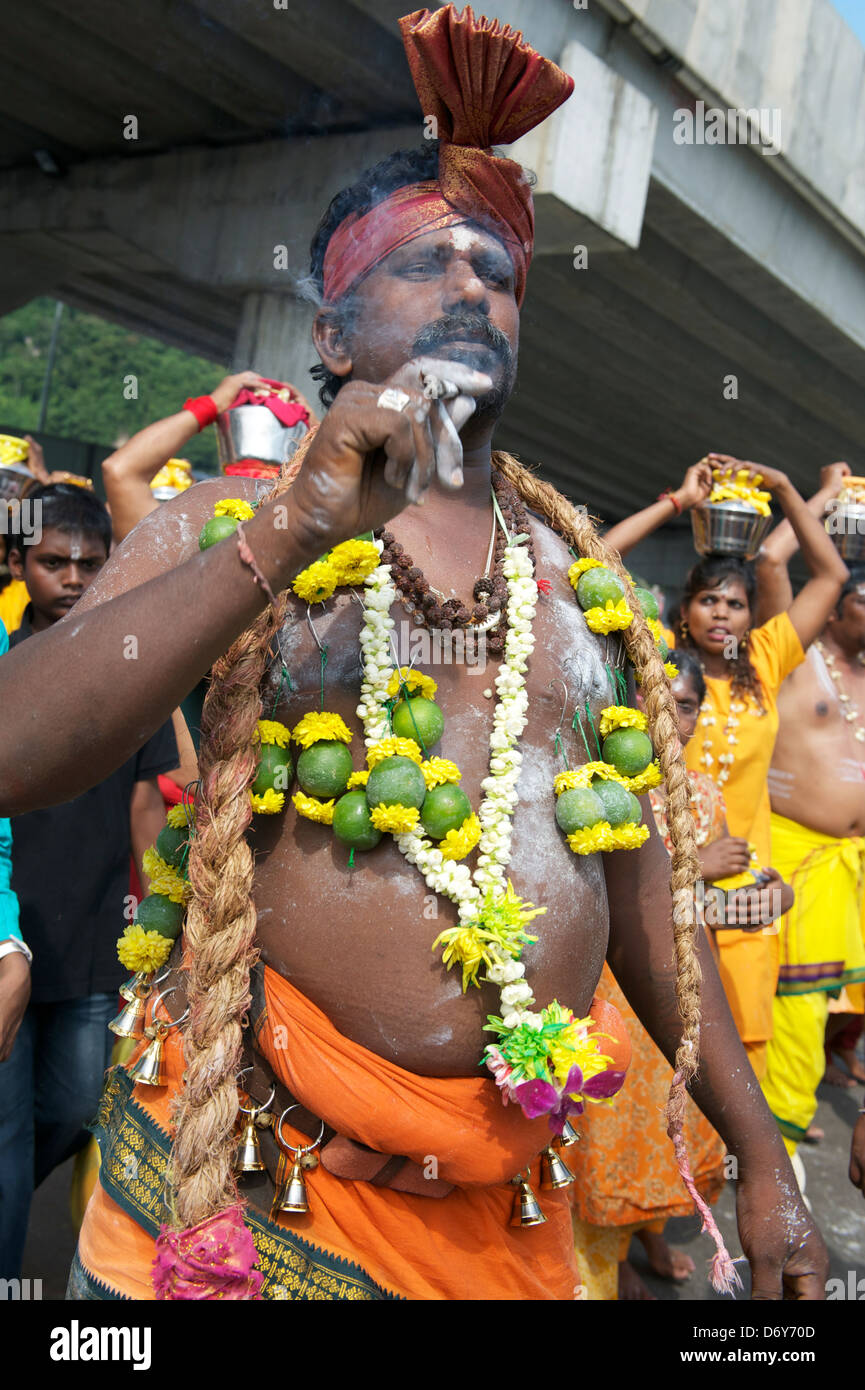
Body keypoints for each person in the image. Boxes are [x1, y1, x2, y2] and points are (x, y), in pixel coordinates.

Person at [0, 5, 826, 1302]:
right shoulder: (229, 522)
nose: (471, 291)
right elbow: (16, 751)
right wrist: (293, 526)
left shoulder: (579, 584)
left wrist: (765, 1157)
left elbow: (647, 913)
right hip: (244, 1192)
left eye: (496, 274)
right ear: (329, 339)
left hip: (501, 1220)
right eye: (424, 267)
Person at [0, 483, 178, 1279]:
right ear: (16, 563)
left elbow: (149, 812)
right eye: (52, 562)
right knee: (4, 1145)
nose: (72, 578)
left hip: (96, 941)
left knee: (75, 1109)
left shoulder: (129, 668)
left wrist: (166, 926)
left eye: (88, 564)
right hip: (7, 939)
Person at [570, 650, 784, 1299]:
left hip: (683, 994)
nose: (667, 712)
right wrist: (702, 871)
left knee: (672, 1132)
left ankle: (651, 1235)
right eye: (652, 695)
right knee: (604, 1136)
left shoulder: (705, 795)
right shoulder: (597, 789)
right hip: (614, 991)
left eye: (685, 703)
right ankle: (611, 1262)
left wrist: (756, 902)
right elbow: (620, 905)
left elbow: (697, 916)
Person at [676, 463, 847, 1080]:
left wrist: (784, 488)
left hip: (749, 895)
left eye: (736, 603)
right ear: (686, 609)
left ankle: (726, 1173)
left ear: (751, 615)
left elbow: (830, 575)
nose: (722, 613)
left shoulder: (766, 664)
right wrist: (678, 501)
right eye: (709, 600)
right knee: (668, 1044)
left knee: (741, 1050)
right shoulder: (665, 678)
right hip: (674, 892)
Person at [750, 472, 865, 1151]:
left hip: (851, 870)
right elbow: (770, 560)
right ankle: (771, 1150)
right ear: (836, 606)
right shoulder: (790, 654)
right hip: (795, 860)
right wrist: (816, 494)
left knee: (826, 1015)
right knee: (787, 1011)